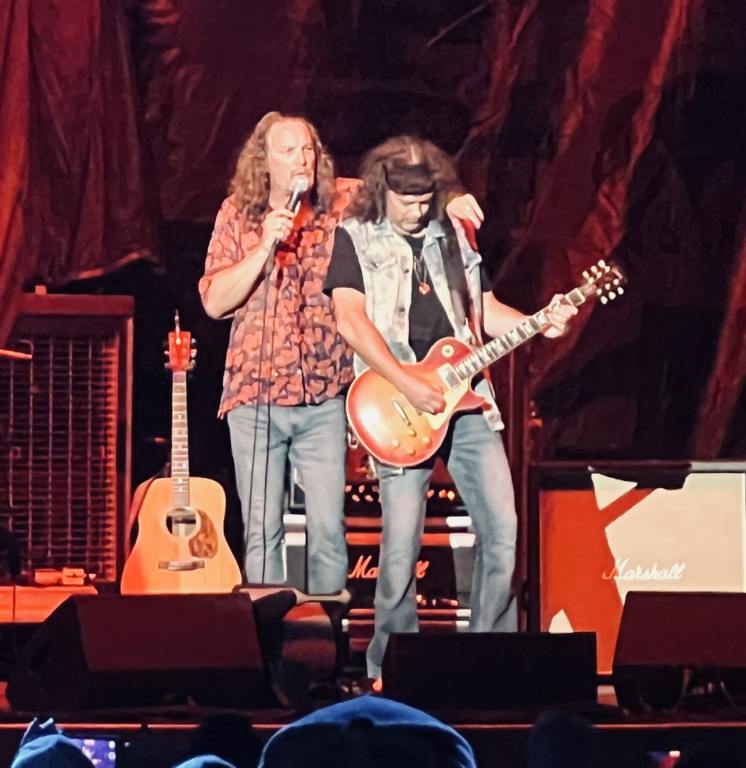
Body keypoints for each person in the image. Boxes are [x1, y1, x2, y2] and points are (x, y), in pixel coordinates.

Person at [325, 134, 577, 681]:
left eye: (425, 199)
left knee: (503, 529)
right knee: (401, 544)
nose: (417, 210)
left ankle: (487, 662)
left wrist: (541, 321)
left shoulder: (453, 237)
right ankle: (390, 668)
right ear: (382, 189)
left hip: (466, 401)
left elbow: (484, 314)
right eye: (406, 200)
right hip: (397, 402)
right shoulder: (356, 236)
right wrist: (405, 383)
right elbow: (350, 319)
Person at [200, 113, 483, 594]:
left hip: (325, 398)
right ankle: (271, 651)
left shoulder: (343, 201)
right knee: (262, 532)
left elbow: (401, 186)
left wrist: (453, 198)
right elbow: (213, 301)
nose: (301, 160)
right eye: (288, 151)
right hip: (255, 399)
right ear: (264, 162)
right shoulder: (237, 213)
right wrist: (265, 244)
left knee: (328, 532)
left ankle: (323, 651)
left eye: (308, 149)